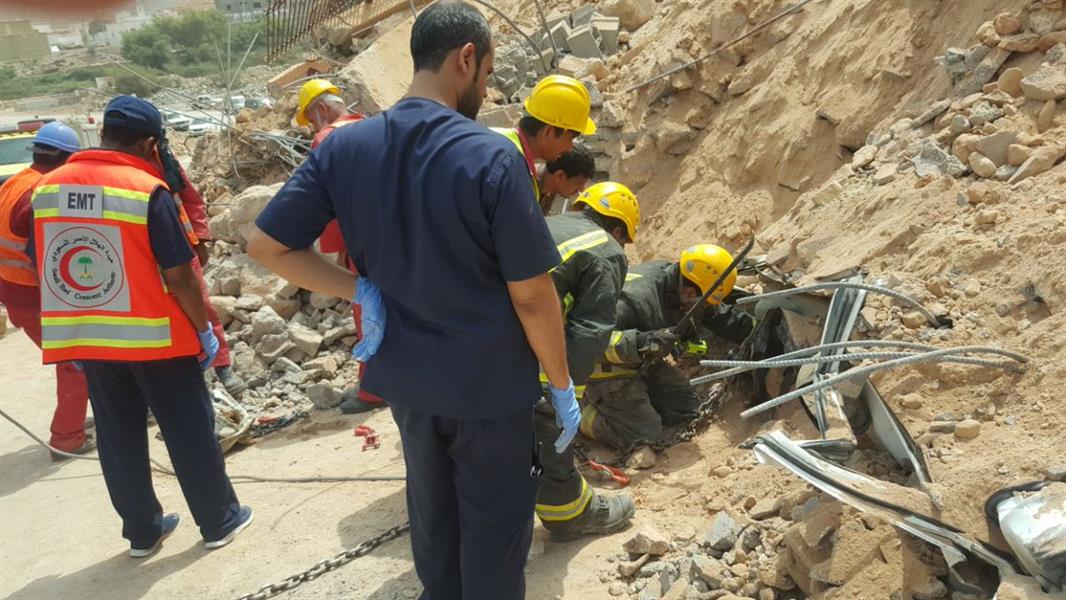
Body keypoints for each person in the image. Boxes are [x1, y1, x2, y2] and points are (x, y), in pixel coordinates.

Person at [247, 3, 577, 598]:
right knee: (495, 531)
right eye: (487, 73)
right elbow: (531, 294)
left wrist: (359, 288)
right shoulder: (491, 154)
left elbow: (268, 246)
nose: (486, 89)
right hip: (489, 389)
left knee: (434, 519)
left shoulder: (343, 148)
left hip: (407, 382)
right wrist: (560, 383)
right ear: (466, 59)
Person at [28, 96, 252, 558]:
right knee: (189, 432)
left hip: (91, 339)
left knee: (119, 439)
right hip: (156, 339)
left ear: (103, 133)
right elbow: (180, 274)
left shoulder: (47, 189)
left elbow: (42, 260)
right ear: (150, 144)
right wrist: (203, 330)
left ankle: (142, 532)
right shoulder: (144, 189)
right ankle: (218, 521)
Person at [535, 181, 640, 540]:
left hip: (465, 342)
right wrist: (565, 393)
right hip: (519, 348)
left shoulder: (544, 222)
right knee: (548, 431)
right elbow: (589, 331)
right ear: (618, 229)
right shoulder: (605, 249)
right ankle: (569, 514)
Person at [581, 245, 756, 451]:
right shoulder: (633, 301)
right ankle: (577, 413)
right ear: (690, 292)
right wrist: (643, 342)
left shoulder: (680, 284)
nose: (707, 308)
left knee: (689, 409)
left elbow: (716, 316)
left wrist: (757, 329)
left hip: (644, 360)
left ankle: (634, 405)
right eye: (706, 304)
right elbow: (591, 342)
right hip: (603, 369)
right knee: (645, 436)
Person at [0, 121, 93, 459]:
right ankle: (67, 439)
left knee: (79, 360)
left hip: (15, 292)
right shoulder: (39, 192)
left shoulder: (15, 182)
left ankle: (88, 418)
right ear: (67, 158)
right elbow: (46, 256)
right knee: (77, 361)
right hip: (33, 295)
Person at [295, 78, 383, 415]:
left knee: (368, 311)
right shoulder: (375, 127)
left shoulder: (327, 139)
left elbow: (330, 202)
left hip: (362, 242)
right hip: (397, 235)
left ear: (320, 110)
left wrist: (338, 249)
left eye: (310, 119)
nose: (311, 128)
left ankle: (375, 389)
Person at [172, 164, 246, 395]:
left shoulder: (162, 159)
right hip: (140, 251)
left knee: (201, 306)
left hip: (180, 244)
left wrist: (201, 240)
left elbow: (191, 200)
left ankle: (222, 365)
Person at [491, 74, 596, 200]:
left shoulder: (498, 141)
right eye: (570, 139)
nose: (569, 148)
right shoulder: (510, 166)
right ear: (549, 132)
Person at [536, 144, 595, 215]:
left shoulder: (549, 190)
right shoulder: (526, 185)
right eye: (578, 183)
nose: (581, 190)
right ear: (560, 175)